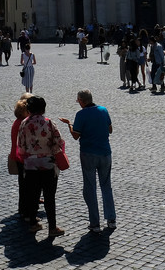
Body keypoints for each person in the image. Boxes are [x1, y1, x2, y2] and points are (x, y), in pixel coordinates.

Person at [59, 89, 116, 234]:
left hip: (88, 154)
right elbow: (110, 129)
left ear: (82, 101)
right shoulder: (103, 110)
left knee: (90, 187)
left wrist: (69, 124)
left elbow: (75, 136)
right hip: (105, 153)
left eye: (78, 100)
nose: (77, 102)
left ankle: (94, 223)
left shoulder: (81, 114)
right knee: (106, 186)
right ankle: (111, 219)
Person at [17, 95, 65, 239]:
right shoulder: (48, 123)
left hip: (31, 165)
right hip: (48, 165)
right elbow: (58, 142)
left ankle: (33, 223)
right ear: (43, 108)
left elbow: (20, 147)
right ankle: (52, 227)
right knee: (50, 197)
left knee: (33, 195)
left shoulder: (24, 124)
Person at [9, 96, 31, 221]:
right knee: (26, 185)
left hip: (17, 155)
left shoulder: (17, 122)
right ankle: (27, 212)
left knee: (23, 184)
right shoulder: (23, 123)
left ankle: (23, 209)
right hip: (22, 157)